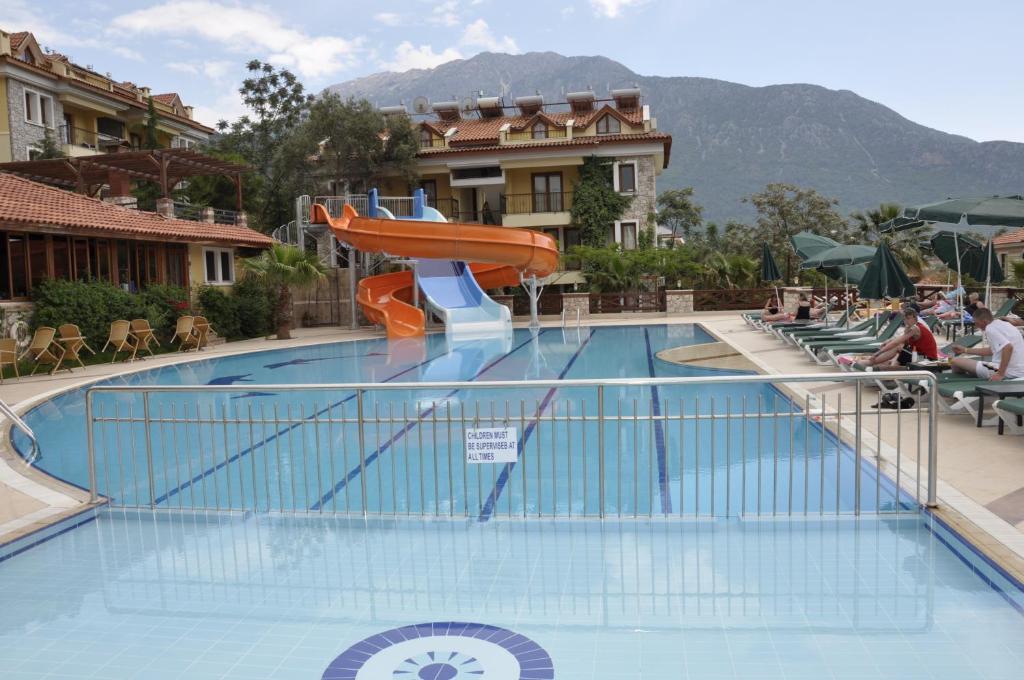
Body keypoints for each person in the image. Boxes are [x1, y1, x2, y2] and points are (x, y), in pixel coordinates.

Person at [950, 308, 1024, 381]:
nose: (976, 326)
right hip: (1019, 371)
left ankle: (960, 384)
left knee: (954, 361)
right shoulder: (1005, 324)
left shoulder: (990, 328)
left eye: (977, 323)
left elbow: (1008, 347)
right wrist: (965, 350)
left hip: (1005, 371)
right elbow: (992, 350)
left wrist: (1000, 374)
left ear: (984, 321)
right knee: (965, 365)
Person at [854, 308, 939, 369]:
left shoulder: (915, 328)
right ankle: (885, 366)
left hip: (927, 359)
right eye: (904, 319)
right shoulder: (912, 327)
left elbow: (896, 342)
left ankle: (871, 362)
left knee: (897, 346)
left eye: (908, 318)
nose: (906, 321)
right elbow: (902, 340)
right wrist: (888, 341)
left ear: (915, 317)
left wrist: (877, 353)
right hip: (919, 355)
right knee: (899, 348)